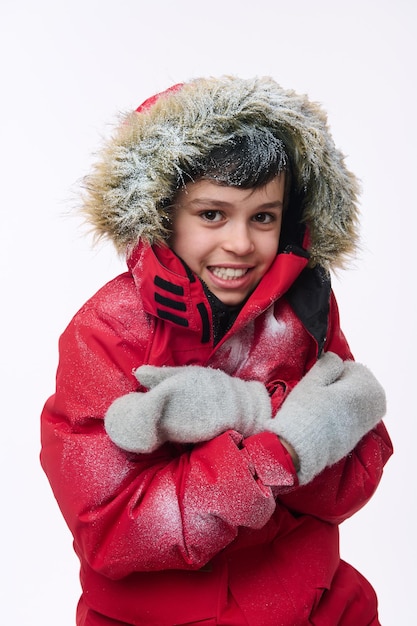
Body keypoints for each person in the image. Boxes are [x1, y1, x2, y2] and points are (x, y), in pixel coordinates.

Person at [40, 76, 393, 626]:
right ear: (162, 214)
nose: (241, 243)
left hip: (312, 604)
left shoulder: (301, 312)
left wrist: (318, 439)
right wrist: (274, 454)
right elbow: (110, 530)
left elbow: (359, 471)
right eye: (211, 214)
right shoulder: (107, 332)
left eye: (263, 216)